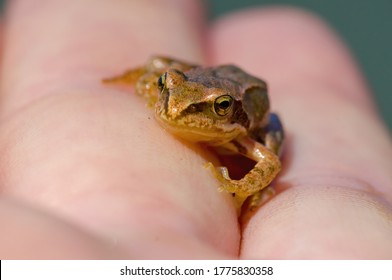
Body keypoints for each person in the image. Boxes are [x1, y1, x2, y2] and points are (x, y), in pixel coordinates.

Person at [1, 0, 391, 259]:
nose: (174, 111)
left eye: (217, 108)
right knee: (165, 68)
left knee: (270, 134)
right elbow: (165, 69)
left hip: (243, 96)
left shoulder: (238, 130)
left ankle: (198, 93)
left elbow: (268, 161)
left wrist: (242, 186)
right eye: (165, 90)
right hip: (206, 80)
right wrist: (156, 79)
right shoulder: (176, 95)